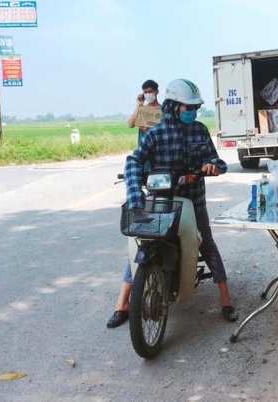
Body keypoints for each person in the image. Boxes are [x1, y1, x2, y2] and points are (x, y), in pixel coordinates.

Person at [110, 78, 238, 328]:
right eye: (187, 108)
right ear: (172, 106)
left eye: (195, 108)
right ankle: (123, 303)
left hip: (194, 200)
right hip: (161, 199)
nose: (192, 112)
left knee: (207, 242)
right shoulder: (156, 131)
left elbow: (218, 161)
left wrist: (213, 167)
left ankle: (226, 299)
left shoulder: (200, 130)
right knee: (140, 244)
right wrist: (135, 195)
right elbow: (134, 160)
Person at [106, 80, 161, 329]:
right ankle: (122, 304)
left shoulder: (162, 114)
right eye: (145, 92)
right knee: (139, 240)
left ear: (157, 93)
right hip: (144, 170)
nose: (148, 95)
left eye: (151, 92)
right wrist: (138, 106)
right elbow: (129, 124)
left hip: (160, 171)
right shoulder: (141, 113)